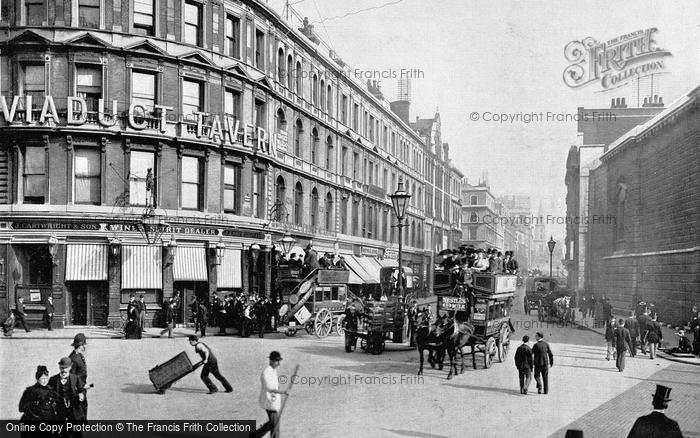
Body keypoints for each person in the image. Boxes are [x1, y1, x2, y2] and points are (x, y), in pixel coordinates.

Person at [254, 351, 289, 438]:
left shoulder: (273, 370)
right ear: (272, 361)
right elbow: (269, 388)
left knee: (273, 422)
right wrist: (283, 392)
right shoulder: (266, 372)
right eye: (277, 361)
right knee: (275, 425)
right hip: (269, 401)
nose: (279, 364)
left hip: (273, 400)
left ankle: (255, 435)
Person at [49, 357, 86, 429]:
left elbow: (81, 390)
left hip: (73, 409)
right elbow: (48, 392)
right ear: (59, 367)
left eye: (66, 368)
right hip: (59, 410)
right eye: (62, 368)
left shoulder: (76, 378)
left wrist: (81, 395)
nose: (64, 370)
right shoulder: (53, 379)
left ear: (70, 367)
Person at [19, 365, 57, 436]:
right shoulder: (30, 391)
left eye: (46, 378)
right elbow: (21, 408)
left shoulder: (51, 391)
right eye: (42, 378)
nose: (45, 380)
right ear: (37, 378)